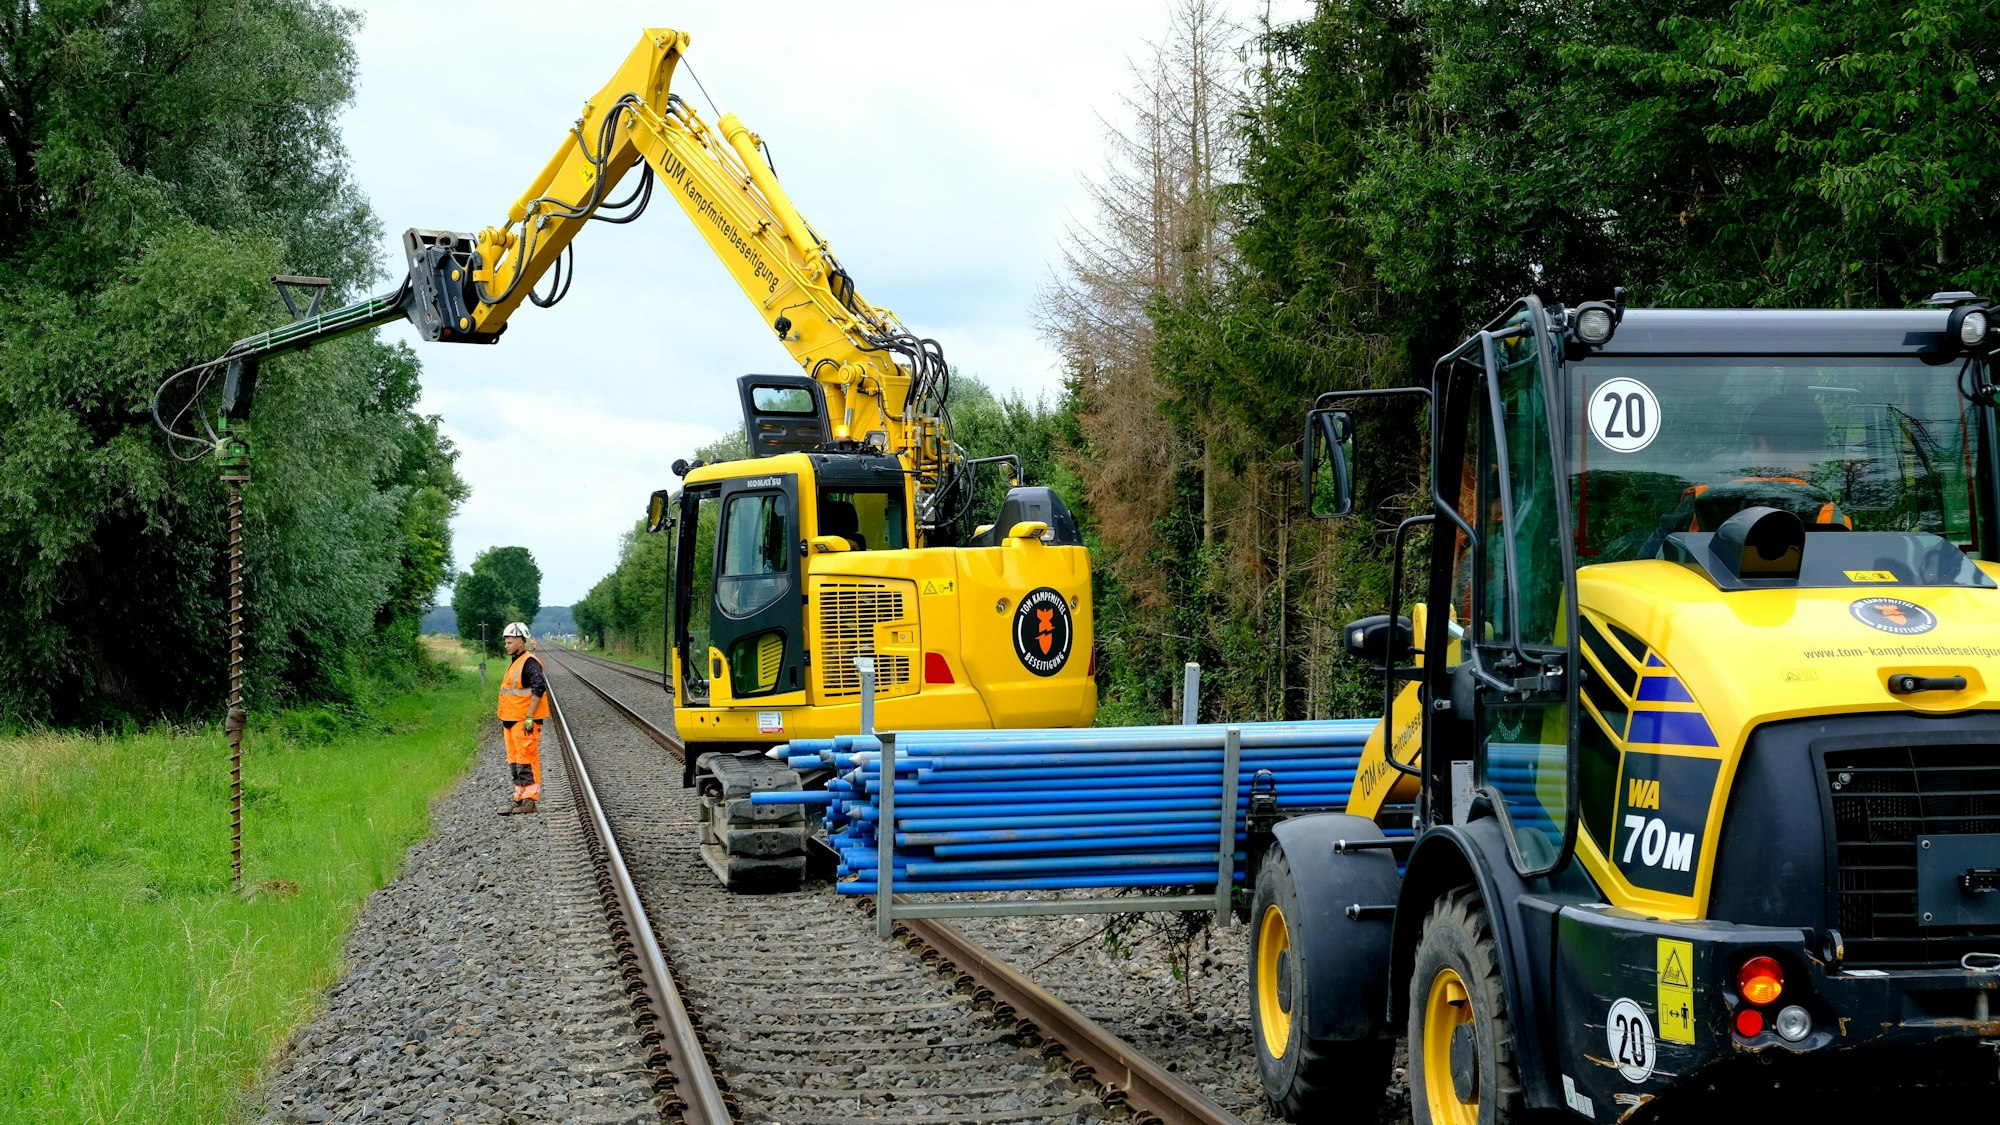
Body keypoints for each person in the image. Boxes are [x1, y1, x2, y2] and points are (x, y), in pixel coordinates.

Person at [496, 621, 549, 815]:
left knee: (527, 760)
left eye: (509, 642)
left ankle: (530, 801)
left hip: (524, 722)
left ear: (520, 641)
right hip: (510, 720)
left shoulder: (530, 662)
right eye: (506, 642)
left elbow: (539, 688)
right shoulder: (516, 662)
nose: (506, 645)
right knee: (515, 761)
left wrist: (529, 716)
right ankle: (518, 798)